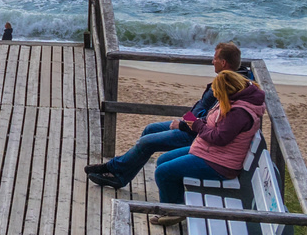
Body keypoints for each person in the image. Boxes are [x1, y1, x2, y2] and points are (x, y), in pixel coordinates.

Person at [85, 41, 244, 190]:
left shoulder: (229, 86)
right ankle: (121, 174)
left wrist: (183, 124)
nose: (212, 61)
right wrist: (186, 118)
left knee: (147, 142)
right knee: (150, 129)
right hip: (190, 123)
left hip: (194, 133)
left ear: (224, 63)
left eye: (215, 58)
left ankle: (114, 169)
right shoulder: (226, 79)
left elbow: (212, 119)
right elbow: (206, 111)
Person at [146, 68, 266, 227]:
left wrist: (196, 125)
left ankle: (174, 212)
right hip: (211, 151)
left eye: (217, 92)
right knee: (162, 161)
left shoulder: (239, 112)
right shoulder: (236, 101)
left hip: (220, 163)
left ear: (226, 91)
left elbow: (220, 138)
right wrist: (194, 122)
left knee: (163, 172)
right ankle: (175, 204)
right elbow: (216, 127)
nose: (215, 96)